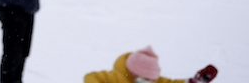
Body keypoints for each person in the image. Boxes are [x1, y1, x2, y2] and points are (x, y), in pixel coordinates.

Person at [83, 46, 217, 83]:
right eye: (145, 80)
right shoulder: (116, 77)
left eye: (151, 80)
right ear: (134, 74)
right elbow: (90, 77)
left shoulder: (153, 81)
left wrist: (193, 82)